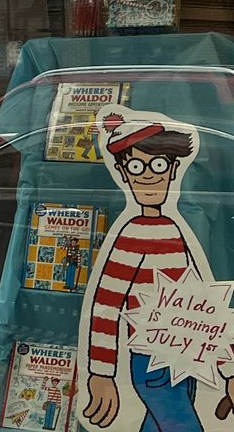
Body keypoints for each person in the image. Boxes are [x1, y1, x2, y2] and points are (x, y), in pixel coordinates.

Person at [80, 110, 234, 432]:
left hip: (184, 354)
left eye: (158, 165)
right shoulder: (133, 234)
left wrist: (229, 369)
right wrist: (102, 373)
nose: (149, 176)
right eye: (136, 166)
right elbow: (106, 306)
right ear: (124, 174)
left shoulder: (174, 230)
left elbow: (199, 310)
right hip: (153, 360)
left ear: (173, 169)